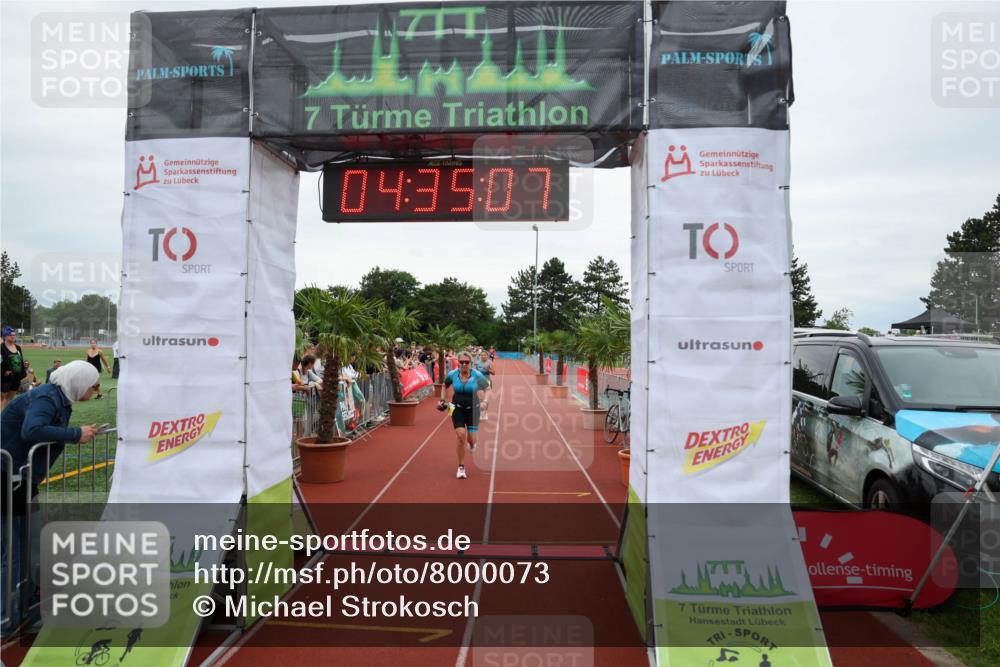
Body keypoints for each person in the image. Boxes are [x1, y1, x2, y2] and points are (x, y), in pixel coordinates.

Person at [1, 360, 100, 633]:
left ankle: (26, 604)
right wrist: (75, 434)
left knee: (27, 542)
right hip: (7, 478)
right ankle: (8, 617)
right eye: (93, 385)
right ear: (79, 381)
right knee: (15, 548)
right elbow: (31, 430)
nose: (95, 390)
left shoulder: (57, 397)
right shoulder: (47, 396)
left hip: (19, 477)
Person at [438, 351, 490, 479]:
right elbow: (445, 385)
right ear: (458, 363)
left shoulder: (477, 375)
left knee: (471, 439)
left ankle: (472, 444)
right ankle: (461, 467)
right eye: (461, 362)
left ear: (471, 363)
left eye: (467, 362)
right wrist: (442, 400)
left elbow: (487, 389)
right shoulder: (452, 374)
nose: (464, 364)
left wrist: (485, 402)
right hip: (455, 407)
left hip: (474, 409)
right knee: (461, 435)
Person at [1, 326, 27, 409]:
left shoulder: (18, 348)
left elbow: (21, 361)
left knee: (11, 398)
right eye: (10, 335)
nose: (13, 336)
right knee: (2, 397)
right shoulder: (1, 348)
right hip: (5, 377)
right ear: (5, 336)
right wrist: (4, 371)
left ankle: (6, 416)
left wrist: (23, 374)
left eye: (14, 335)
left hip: (16, 377)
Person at [475, 349, 494, 420]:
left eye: (485, 355)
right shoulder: (477, 363)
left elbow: (494, 372)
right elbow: (475, 372)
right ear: (480, 356)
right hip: (479, 381)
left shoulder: (490, 362)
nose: (483, 356)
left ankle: (485, 413)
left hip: (487, 381)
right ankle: (480, 412)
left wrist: (487, 369)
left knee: (486, 398)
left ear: (487, 356)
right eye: (482, 355)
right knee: (480, 397)